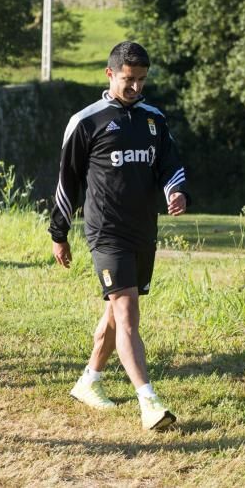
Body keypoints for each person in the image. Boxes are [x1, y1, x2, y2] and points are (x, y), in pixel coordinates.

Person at [49, 41, 188, 431]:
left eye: (142, 80)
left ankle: (89, 381)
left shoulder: (153, 120)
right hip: (106, 232)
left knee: (114, 311)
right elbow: (67, 182)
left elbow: (170, 165)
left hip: (143, 230)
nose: (136, 88)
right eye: (129, 80)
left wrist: (176, 192)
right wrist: (59, 232)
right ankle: (150, 402)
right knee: (127, 312)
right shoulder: (86, 121)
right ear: (110, 74)